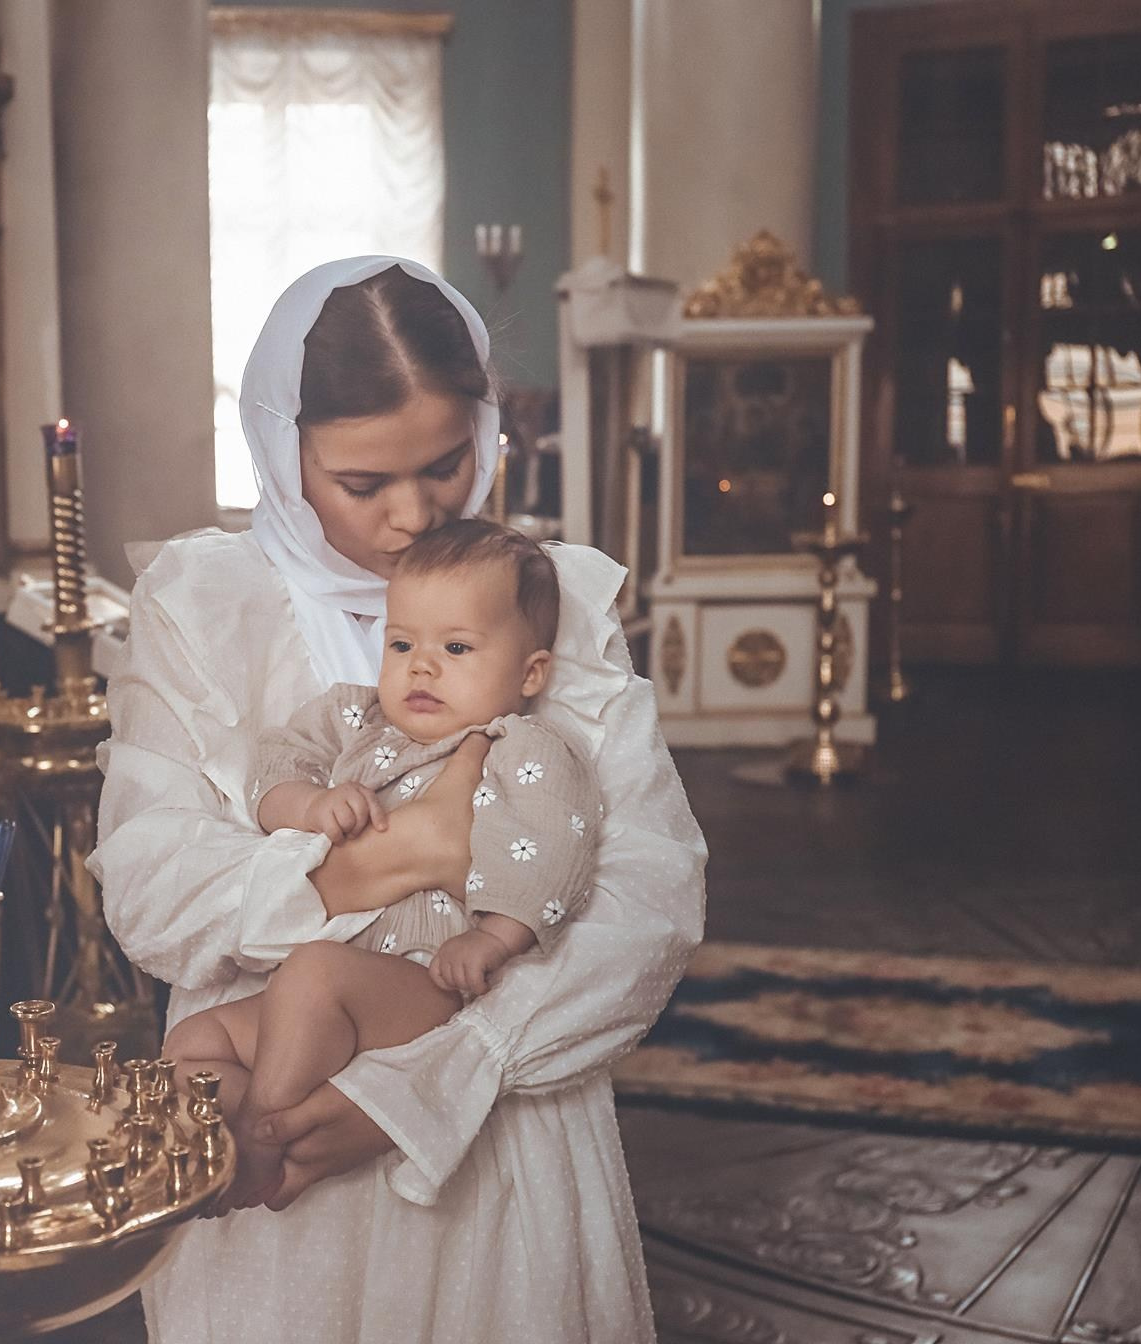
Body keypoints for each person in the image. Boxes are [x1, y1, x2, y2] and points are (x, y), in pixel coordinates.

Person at [86, 255, 707, 1343]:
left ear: (488, 427)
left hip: (502, 1137)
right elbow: (151, 888)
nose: (415, 516)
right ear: (283, 456)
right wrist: (397, 857)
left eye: (446, 463)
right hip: (269, 1189)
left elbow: (651, 897)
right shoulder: (208, 607)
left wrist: (444, 1078)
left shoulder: (546, 601)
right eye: (362, 484)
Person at [165, 519, 602, 1210]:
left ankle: (260, 1139)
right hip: (328, 987)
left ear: (530, 672)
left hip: (424, 981)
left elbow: (554, 842)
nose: (421, 666)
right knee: (195, 1039)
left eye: (456, 647)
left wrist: (492, 937)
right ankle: (286, 1129)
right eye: (402, 643)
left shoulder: (520, 745)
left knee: (311, 972)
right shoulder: (355, 720)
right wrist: (308, 805)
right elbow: (272, 765)